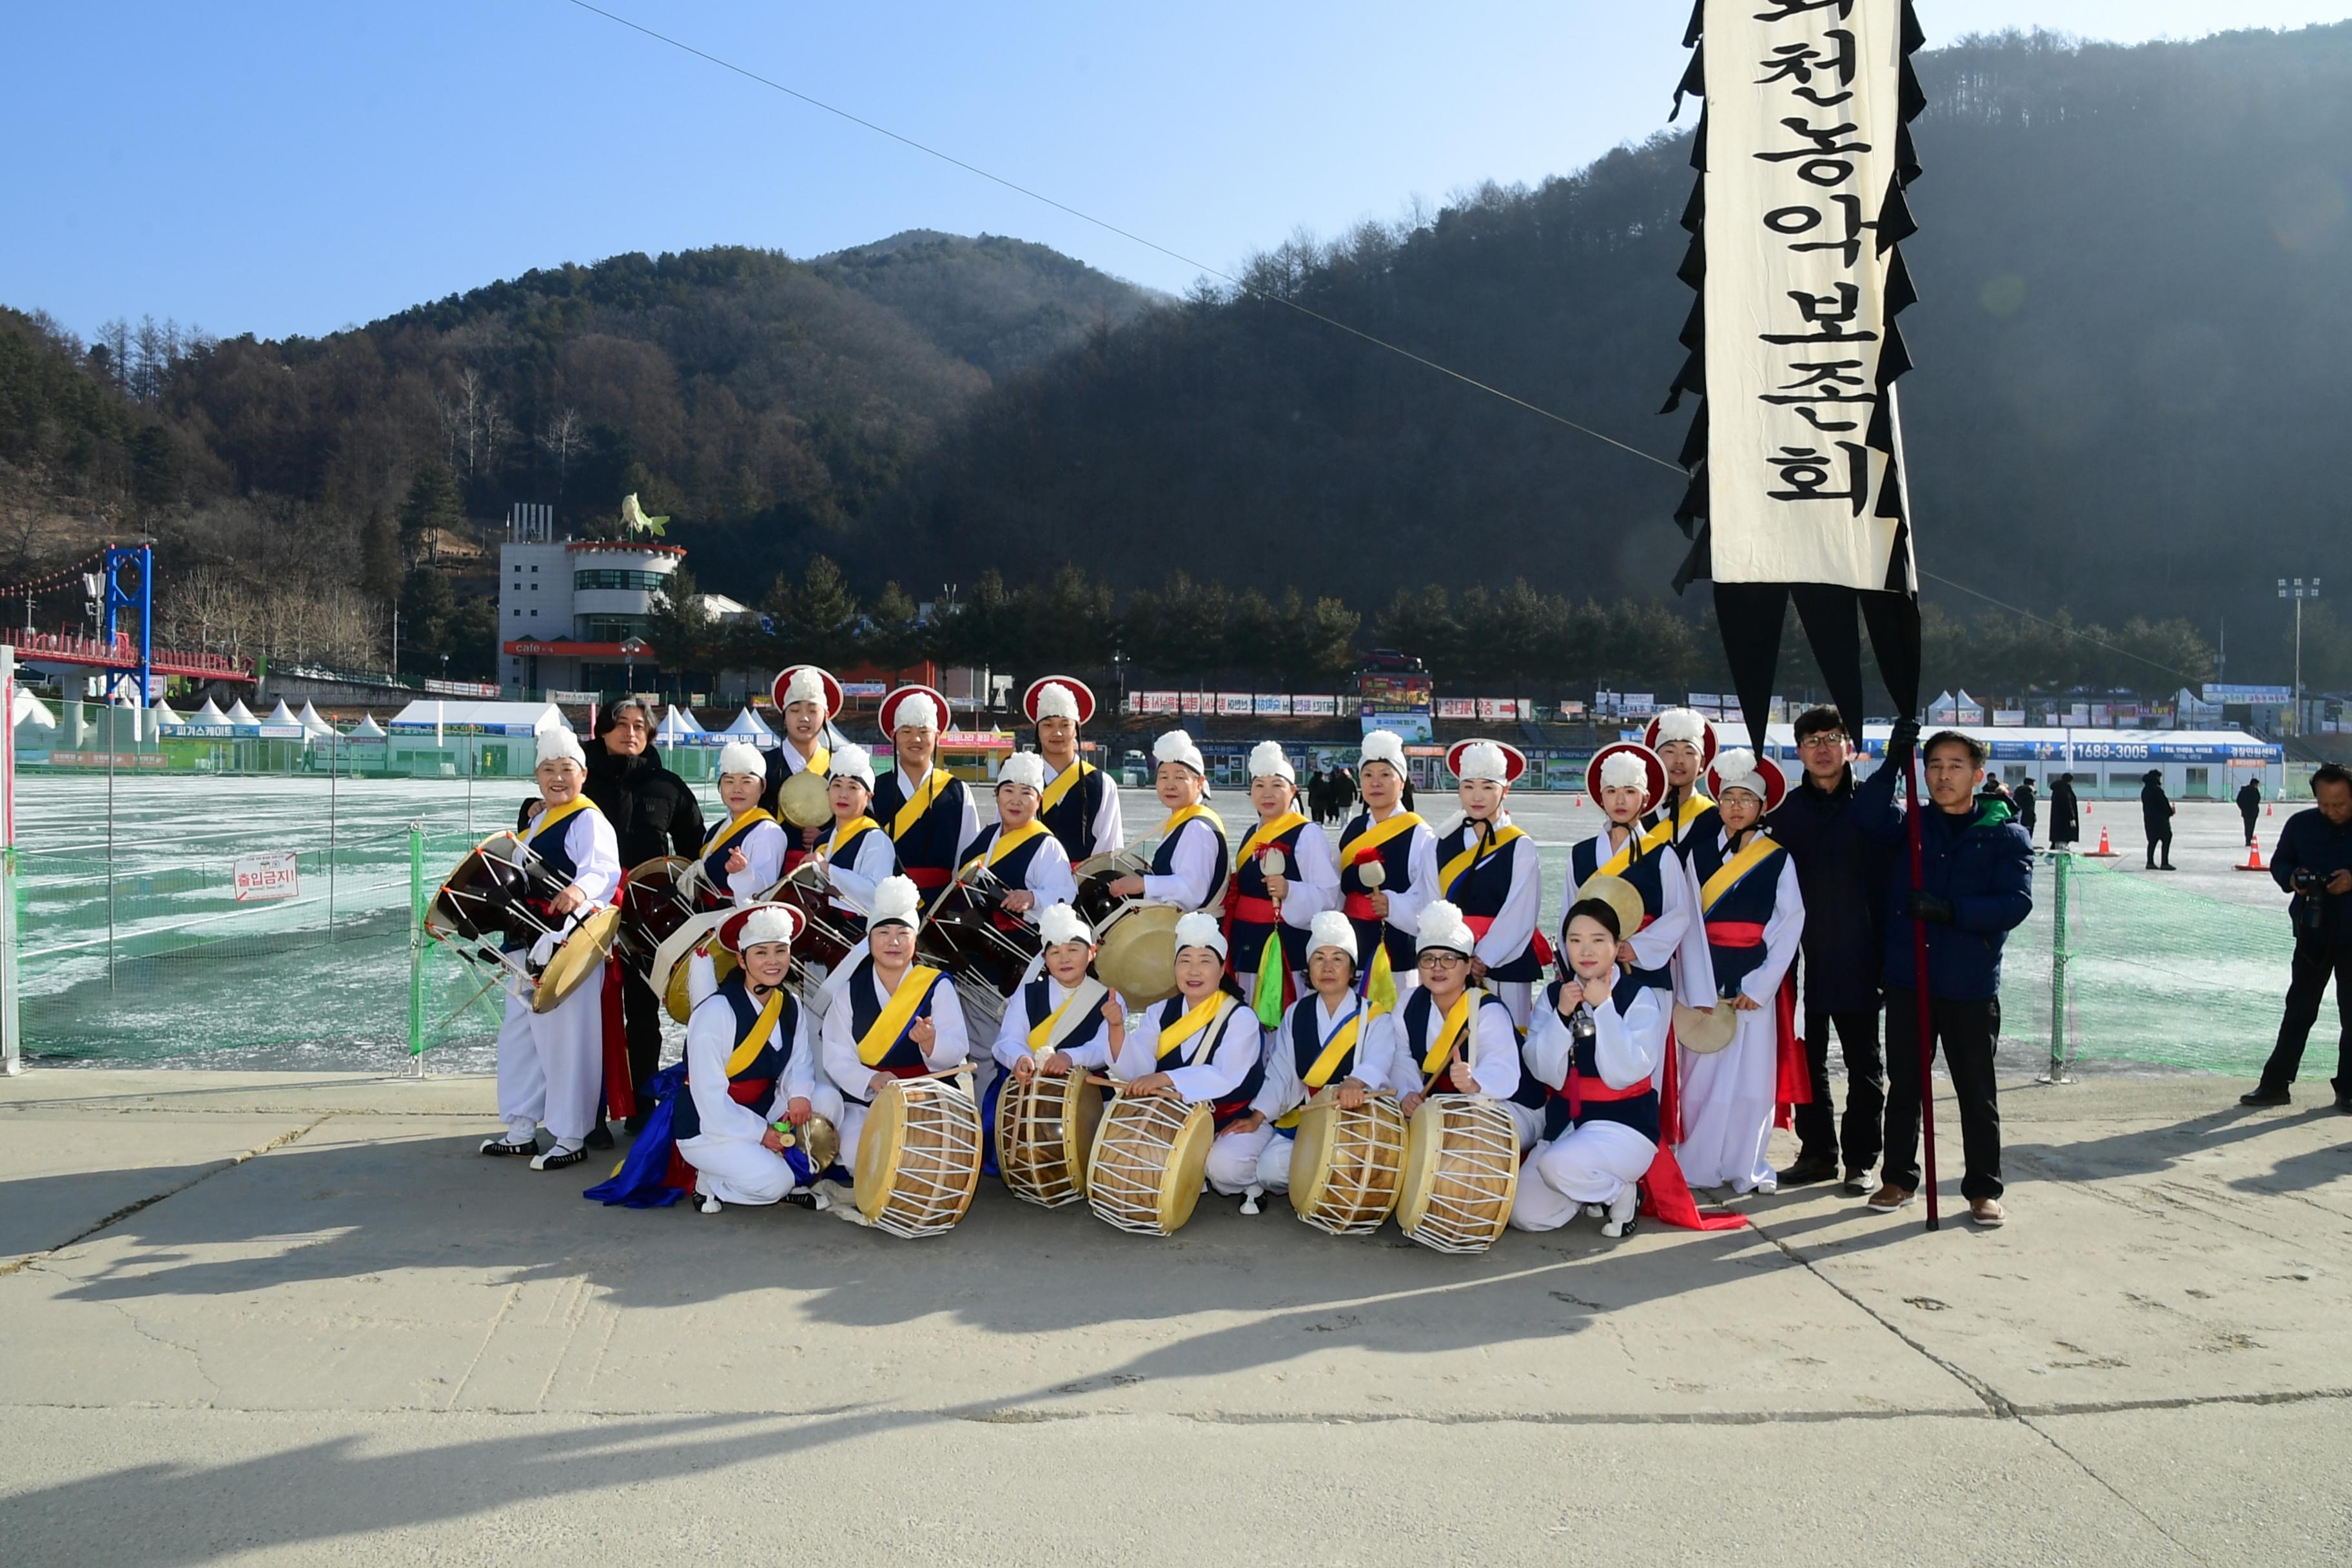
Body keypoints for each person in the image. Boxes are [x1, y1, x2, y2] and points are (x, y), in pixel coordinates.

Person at [1860, 723, 2034, 1227]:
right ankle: (1898, 1178)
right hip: (1910, 978)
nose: (1943, 776)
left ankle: (1983, 1188)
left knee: (1976, 1090)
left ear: (1978, 775)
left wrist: (1950, 911)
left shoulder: (2005, 835)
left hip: (1969, 983)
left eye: (1956, 766)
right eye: (1934, 766)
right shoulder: (1911, 824)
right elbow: (1868, 817)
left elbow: (2015, 903)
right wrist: (1893, 760)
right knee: (1906, 1084)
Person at [1766, 706, 1896, 1194]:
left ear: (1850, 747)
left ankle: (1862, 1159)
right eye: (1812, 739)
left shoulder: (1873, 809)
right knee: (1807, 1059)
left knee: (1866, 1065)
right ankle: (1817, 1152)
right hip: (1797, 959)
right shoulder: (1784, 816)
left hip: (1859, 954)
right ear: (1798, 749)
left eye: (1832, 737)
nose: (1822, 748)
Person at [482, 726, 624, 1171]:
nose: (558, 778)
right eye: (548, 770)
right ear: (537, 776)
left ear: (583, 775)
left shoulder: (589, 818)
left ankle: (570, 1134)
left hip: (569, 945)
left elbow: (603, 869)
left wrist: (580, 892)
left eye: (567, 770)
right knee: (519, 1039)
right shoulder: (539, 819)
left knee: (567, 1042)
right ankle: (522, 1128)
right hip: (526, 941)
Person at [1676, 751, 1805, 1197]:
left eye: (1746, 799)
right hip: (1705, 975)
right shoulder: (1695, 853)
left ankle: (1743, 1163)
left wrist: (1761, 985)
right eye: (1727, 797)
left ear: (1762, 807)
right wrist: (1696, 982)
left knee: (1752, 1081)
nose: (1735, 807)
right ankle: (1696, 1161)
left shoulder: (1778, 858)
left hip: (1753, 981)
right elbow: (1686, 919)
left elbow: (1789, 924)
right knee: (1700, 1076)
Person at [1509, 895, 1671, 1239]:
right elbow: (1541, 1070)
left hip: (1623, 1126)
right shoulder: (1555, 996)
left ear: (1616, 947)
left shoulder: (1640, 997)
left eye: (1598, 940)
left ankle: (1623, 1192)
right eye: (1575, 941)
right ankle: (1596, 1191)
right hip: (1566, 1122)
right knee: (1525, 1214)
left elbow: (1626, 1072)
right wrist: (1562, 1016)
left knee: (1557, 1167)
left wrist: (1606, 1008)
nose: (1586, 951)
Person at [582, 696, 704, 1132]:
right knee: (588, 1016)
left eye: (639, 726)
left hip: (648, 924)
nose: (630, 733)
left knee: (642, 1015)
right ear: (603, 731)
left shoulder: (666, 785)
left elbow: (694, 848)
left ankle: (641, 1108)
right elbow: (546, 826)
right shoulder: (580, 780)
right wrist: (531, 809)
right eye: (621, 724)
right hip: (587, 918)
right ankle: (588, 1114)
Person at [674, 903, 839, 1212]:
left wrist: (799, 1096)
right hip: (709, 1125)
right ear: (741, 959)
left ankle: (789, 1175)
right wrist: (761, 1133)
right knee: (772, 1185)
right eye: (761, 953)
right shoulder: (715, 1012)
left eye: (780, 951)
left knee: (827, 1100)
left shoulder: (789, 1003)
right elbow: (709, 1098)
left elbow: (798, 1062)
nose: (773, 961)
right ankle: (711, 1179)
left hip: (762, 1106)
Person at [819, 874, 972, 1187]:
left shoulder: (936, 985)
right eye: (884, 933)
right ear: (869, 940)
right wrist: (871, 1079)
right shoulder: (850, 991)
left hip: (927, 1096)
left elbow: (958, 1048)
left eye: (903, 933)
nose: (893, 942)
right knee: (853, 1152)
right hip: (869, 1100)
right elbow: (836, 1055)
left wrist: (931, 1043)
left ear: (915, 940)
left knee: (926, 1159)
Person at [1109, 910, 1269, 1208]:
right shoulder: (1160, 1011)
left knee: (1224, 1169)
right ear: (1174, 968)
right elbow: (1138, 1069)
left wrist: (1165, 1078)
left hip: (1232, 1122)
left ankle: (1253, 1181)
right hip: (1175, 1118)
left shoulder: (1240, 1017)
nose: (1193, 971)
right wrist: (1117, 1029)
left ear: (1222, 970)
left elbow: (1226, 1076)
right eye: (1185, 962)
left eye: (1204, 962)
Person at [1248, 910, 1398, 1212]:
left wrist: (1357, 1081)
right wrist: (1258, 1116)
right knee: (1269, 1170)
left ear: (1351, 967)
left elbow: (1380, 1058)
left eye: (1337, 959)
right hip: (1310, 1118)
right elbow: (1282, 1072)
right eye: (1319, 958)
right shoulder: (1296, 1013)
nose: (1327, 967)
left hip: (1355, 1122)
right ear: (1309, 967)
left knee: (1354, 1165)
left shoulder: (1374, 1016)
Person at [2242, 763, 2352, 1112]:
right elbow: (2280, 863)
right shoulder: (2301, 825)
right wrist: (2293, 878)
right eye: (2325, 804)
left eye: (2340, 805)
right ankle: (2275, 1085)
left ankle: (2349, 1089)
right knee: (2299, 1010)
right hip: (2312, 933)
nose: (2332, 811)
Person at [986, 901, 1122, 1148]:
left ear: (1092, 952)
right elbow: (1007, 1040)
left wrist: (1071, 1057)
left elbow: (1105, 1047)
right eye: (1055, 952)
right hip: (1028, 1088)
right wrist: (1020, 1058)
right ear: (1044, 958)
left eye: (1073, 950)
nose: (1065, 959)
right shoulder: (1027, 994)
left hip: (1086, 1093)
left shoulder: (1108, 997)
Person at [1432, 739, 1544, 1028]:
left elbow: (1520, 914)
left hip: (1505, 963)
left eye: (1487, 787)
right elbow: (1431, 901)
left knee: (1508, 1040)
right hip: (1451, 961)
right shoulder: (1441, 844)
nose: (1477, 796)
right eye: (1468, 786)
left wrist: (1482, 959)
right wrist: (1454, 955)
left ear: (1505, 790)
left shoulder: (1521, 845)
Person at [1387, 901, 1524, 1135]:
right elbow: (1402, 1058)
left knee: (1466, 1136)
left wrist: (1475, 1082)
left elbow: (1503, 1068)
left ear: (1469, 965)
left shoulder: (1487, 1010)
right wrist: (1407, 1092)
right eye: (1428, 959)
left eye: (1449, 959)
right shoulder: (1408, 1004)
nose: (1437, 968)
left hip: (1505, 1107)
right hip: (1441, 1107)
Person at [1226, 740, 1340, 1008]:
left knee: (1284, 1016)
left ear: (1293, 791)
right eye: (1259, 786)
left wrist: (1291, 891)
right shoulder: (1251, 833)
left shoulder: (1307, 833)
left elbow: (1328, 896)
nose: (1267, 794)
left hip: (1286, 946)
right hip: (1246, 941)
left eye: (1276, 785)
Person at [1336, 730, 1440, 997]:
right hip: (1353, 943)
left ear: (1402, 782)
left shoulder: (1419, 834)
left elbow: (1429, 896)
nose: (1376, 783)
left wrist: (1392, 905)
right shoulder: (1353, 829)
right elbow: (1337, 889)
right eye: (1368, 775)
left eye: (1385, 775)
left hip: (1397, 948)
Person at [870, 684, 978, 895]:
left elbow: (968, 858)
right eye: (907, 731)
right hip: (885, 899)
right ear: (893, 735)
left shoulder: (957, 791)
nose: (916, 739)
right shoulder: (874, 790)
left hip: (941, 903)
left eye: (923, 732)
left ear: (937, 736)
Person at [1106, 729, 1229, 912]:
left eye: (1180, 777)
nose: (1170, 784)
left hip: (1191, 936)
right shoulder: (1185, 821)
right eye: (1163, 776)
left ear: (1200, 783)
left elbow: (1192, 890)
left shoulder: (1197, 827)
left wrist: (1143, 884)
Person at [955, 751, 1079, 925]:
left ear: (1039, 801)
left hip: (1025, 944)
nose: (1016, 800)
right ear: (997, 795)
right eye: (1009, 790)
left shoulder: (1047, 846)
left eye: (1026, 793)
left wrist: (1033, 898)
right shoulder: (986, 836)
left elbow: (1064, 894)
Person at [1026, 676, 1122, 861]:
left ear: (1077, 729)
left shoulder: (1102, 784)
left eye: (1065, 725)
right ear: (1037, 729)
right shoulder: (1020, 778)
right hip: (1026, 886)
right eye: (1048, 725)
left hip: (1085, 885)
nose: (1057, 733)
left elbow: (1109, 849)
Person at [761, 665, 845, 868]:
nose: (804, 718)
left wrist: (827, 836)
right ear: (785, 715)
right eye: (795, 710)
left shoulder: (841, 767)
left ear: (826, 715)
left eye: (813, 710)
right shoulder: (763, 764)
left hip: (827, 868)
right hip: (770, 868)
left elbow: (857, 822)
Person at [695, 740, 787, 906]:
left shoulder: (768, 832)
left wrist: (744, 872)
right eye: (729, 781)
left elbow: (764, 894)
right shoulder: (716, 830)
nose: (737, 789)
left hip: (737, 922)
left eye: (746, 782)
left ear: (763, 786)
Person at [1641, 708, 1719, 850]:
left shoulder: (1716, 818)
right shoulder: (1639, 813)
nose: (1679, 760)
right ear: (1656, 757)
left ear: (1702, 763)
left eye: (1689, 753)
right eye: (1670, 751)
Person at [2141, 769, 2175, 870]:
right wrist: (2171, 812)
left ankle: (2150, 862)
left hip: (2149, 820)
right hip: (2160, 821)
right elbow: (2163, 805)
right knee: (2167, 838)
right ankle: (2164, 863)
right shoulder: (2157, 790)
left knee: (2152, 841)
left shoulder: (2145, 790)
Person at [2048, 772, 2081, 850]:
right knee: (2064, 838)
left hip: (2057, 818)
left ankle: (2051, 855)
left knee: (2057, 839)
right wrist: (2072, 818)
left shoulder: (2057, 788)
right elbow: (2068, 804)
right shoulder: (2065, 789)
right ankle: (2053, 856)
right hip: (2064, 819)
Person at [2238, 776, 2264, 848]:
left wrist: (2243, 808)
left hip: (2246, 812)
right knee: (2251, 826)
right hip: (2253, 812)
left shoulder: (2243, 791)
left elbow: (2239, 800)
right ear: (2255, 784)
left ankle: (2248, 840)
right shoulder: (2255, 791)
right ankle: (2249, 839)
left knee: (2247, 826)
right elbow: (2258, 800)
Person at [2014, 777, 2039, 845]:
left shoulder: (2017, 792)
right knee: (2028, 836)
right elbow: (2030, 807)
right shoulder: (2029, 793)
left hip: (2018, 816)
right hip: (2028, 817)